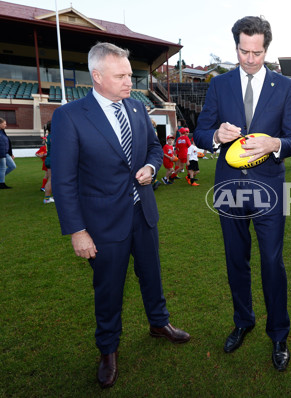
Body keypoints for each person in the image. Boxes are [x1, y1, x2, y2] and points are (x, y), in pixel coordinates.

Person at [51, 42, 190, 389]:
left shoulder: (139, 110)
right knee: (109, 289)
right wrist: (77, 231)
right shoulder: (70, 117)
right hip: (102, 224)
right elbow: (64, 181)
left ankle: (159, 323)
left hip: (143, 213)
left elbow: (155, 149)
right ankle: (108, 350)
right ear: (97, 77)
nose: (131, 82)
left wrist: (149, 166)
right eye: (122, 75)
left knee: (152, 275)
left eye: (130, 74)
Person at [193, 16, 291, 372]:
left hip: (269, 187)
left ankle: (279, 332)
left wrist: (275, 144)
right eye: (243, 50)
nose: (250, 58)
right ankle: (243, 320)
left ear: (266, 48)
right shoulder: (219, 84)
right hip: (229, 187)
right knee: (235, 259)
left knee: (272, 262)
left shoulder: (284, 86)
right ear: (235, 45)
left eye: (257, 52)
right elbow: (201, 131)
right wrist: (215, 136)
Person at [0, 117, 16, 189]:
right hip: (1, 153)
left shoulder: (3, 131)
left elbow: (7, 143)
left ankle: (1, 180)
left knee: (12, 166)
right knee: (2, 168)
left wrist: (11, 153)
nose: (5, 125)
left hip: (6, 153)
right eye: (4, 124)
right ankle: (1, 183)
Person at [42, 123, 54, 204]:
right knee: (51, 179)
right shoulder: (53, 137)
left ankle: (49, 198)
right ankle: (47, 199)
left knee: (52, 179)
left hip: (49, 159)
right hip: (53, 159)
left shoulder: (48, 136)